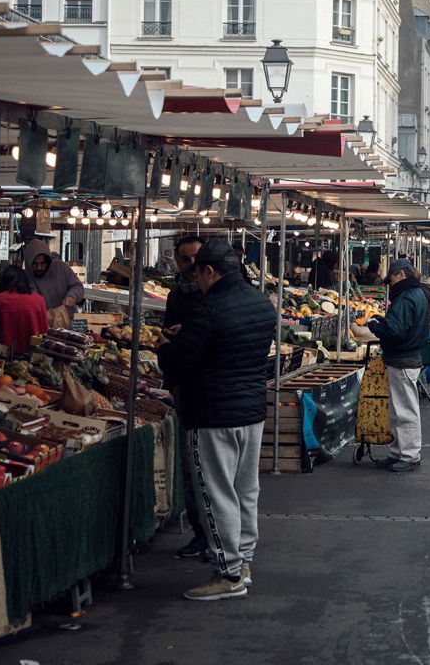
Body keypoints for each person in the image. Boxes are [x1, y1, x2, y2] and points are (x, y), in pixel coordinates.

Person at [155, 240, 278, 601]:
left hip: (212, 412)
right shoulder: (261, 303)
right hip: (251, 411)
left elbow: (180, 363)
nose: (197, 281)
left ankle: (227, 574)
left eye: (199, 273)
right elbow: (229, 346)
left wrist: (165, 346)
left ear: (210, 271)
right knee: (245, 491)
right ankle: (244, 563)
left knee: (216, 494)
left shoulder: (206, 308)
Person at [159, 234, 209, 560]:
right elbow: (167, 330)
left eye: (195, 258)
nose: (190, 265)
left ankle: (221, 542)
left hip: (210, 391)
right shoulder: (176, 293)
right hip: (184, 389)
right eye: (184, 259)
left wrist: (183, 340)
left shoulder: (213, 294)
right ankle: (201, 534)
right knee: (192, 472)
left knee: (209, 473)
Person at [365, 259, 430, 472]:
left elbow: (396, 332)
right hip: (405, 358)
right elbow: (402, 326)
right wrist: (383, 322)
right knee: (397, 411)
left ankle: (410, 455)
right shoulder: (417, 293)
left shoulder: (406, 297)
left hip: (403, 360)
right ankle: (398, 453)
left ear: (401, 275)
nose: (390, 283)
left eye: (391, 277)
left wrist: (376, 326)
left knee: (405, 411)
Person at [0, 265, 48, 354]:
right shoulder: (39, 300)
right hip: (33, 356)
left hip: (2, 356)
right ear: (25, 281)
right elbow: (44, 331)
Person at [22, 239, 84, 317]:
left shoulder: (61, 267)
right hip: (42, 322)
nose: (39, 267)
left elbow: (78, 286)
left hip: (68, 320)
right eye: (35, 264)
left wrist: (72, 296)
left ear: (48, 261)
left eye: (43, 263)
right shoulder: (25, 277)